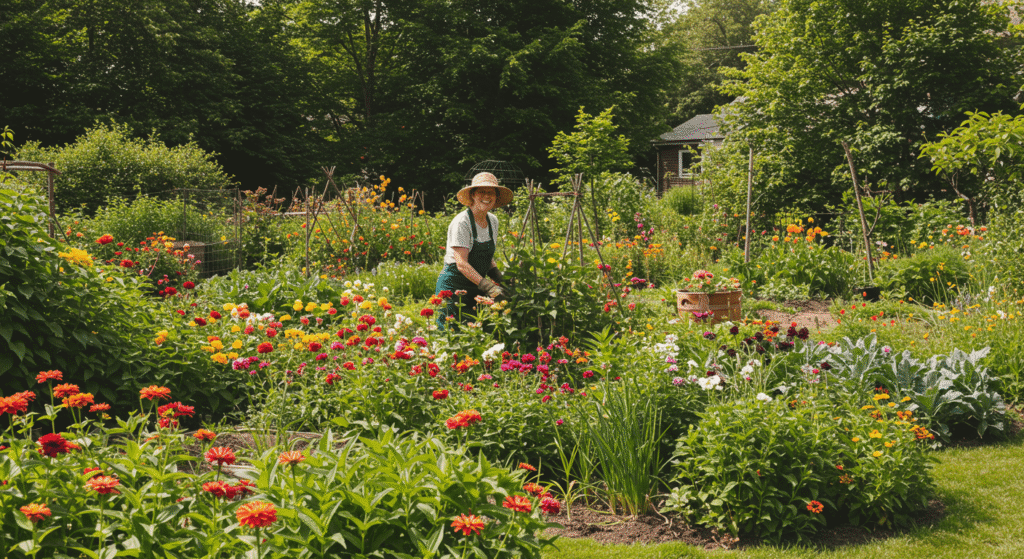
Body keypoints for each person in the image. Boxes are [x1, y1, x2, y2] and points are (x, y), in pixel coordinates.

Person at [433, 172, 514, 328]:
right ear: (472, 195)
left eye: (490, 192)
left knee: (477, 333)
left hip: (476, 287)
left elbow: (485, 256)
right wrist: (489, 286)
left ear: (496, 197)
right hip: (454, 287)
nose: (486, 196)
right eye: (481, 192)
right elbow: (462, 264)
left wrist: (498, 277)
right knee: (452, 334)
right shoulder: (461, 222)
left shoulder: (493, 221)